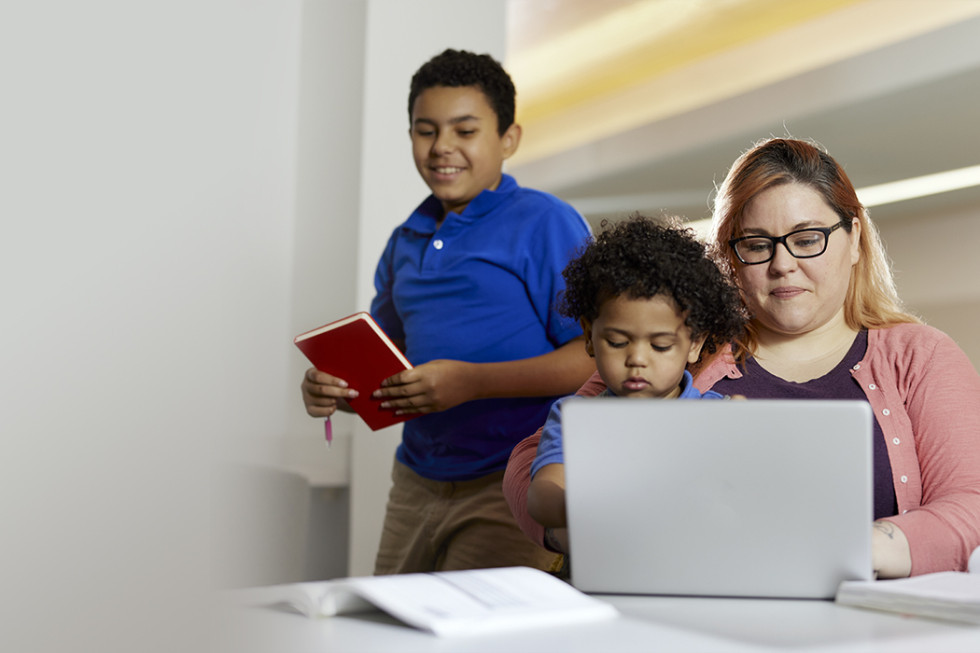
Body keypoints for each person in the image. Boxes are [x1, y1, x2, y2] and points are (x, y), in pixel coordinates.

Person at [504, 137, 980, 579]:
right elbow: (534, 459)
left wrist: (844, 548)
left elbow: (971, 506)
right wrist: (599, 529)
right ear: (729, 255)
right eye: (755, 244)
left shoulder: (920, 357)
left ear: (854, 239)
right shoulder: (680, 347)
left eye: (807, 238)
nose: (782, 264)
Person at [300, 49, 595, 575]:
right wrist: (335, 390)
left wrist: (473, 382)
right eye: (425, 130)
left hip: (511, 480)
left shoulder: (545, 222)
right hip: (415, 481)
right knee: (387, 629)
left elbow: (592, 360)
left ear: (509, 139)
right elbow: (388, 376)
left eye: (464, 130)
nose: (442, 148)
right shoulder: (404, 241)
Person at [527, 216, 746, 542]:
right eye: (617, 342)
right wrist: (583, 506)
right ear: (589, 335)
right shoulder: (576, 419)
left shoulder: (716, 417)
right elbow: (543, 494)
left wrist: (746, 438)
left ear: (695, 343)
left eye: (660, 345)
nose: (637, 359)